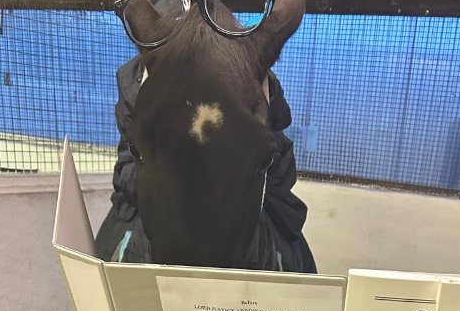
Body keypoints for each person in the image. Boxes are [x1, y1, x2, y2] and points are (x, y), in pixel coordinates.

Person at [95, 52, 316, 273]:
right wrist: (158, 168)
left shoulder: (249, 87)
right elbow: (124, 175)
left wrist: (245, 169)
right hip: (152, 229)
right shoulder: (138, 89)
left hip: (245, 233)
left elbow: (281, 173)